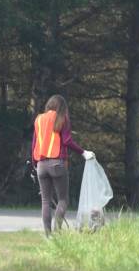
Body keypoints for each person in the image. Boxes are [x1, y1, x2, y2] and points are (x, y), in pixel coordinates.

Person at [32, 94, 95, 236]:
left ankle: (48, 235)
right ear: (62, 107)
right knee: (63, 199)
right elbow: (67, 141)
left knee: (45, 201)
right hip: (57, 163)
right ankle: (57, 232)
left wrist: (35, 164)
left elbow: (34, 144)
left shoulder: (39, 119)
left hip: (41, 165)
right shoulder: (62, 118)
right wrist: (83, 152)